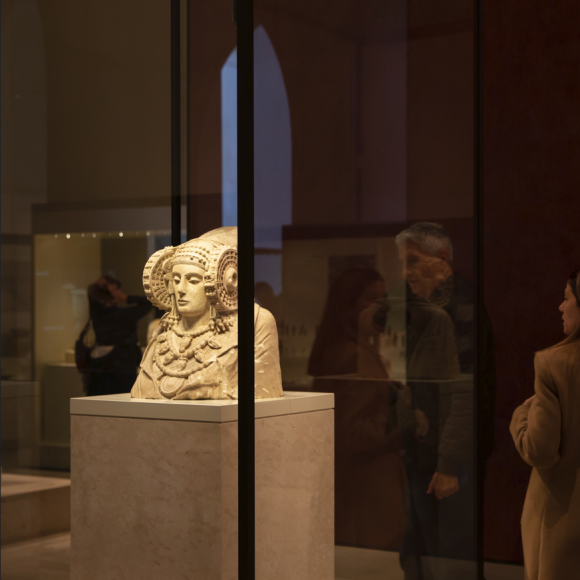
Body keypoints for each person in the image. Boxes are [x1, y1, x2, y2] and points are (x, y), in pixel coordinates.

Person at [374, 222, 496, 579]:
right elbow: (376, 315)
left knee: (451, 555)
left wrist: (449, 464)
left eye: (413, 261)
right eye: (402, 263)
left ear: (441, 260)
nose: (406, 271)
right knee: (418, 550)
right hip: (421, 447)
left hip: (450, 456)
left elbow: (464, 394)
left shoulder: (462, 307)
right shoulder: (422, 303)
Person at [131, 226, 283, 400]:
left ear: (220, 284)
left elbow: (262, 394)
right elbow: (140, 392)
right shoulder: (166, 327)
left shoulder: (255, 322)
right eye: (176, 280)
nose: (180, 289)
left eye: (193, 280)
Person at [510, 268, 580, 580]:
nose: (560, 307)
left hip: (561, 518)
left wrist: (521, 416)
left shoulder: (555, 364)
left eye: (567, 298)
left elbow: (539, 451)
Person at [87, 275, 152, 396]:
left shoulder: (97, 314)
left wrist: (100, 289)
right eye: (117, 290)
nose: (120, 292)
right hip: (123, 367)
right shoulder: (124, 315)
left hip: (102, 365)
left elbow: (91, 295)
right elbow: (149, 302)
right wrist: (126, 298)